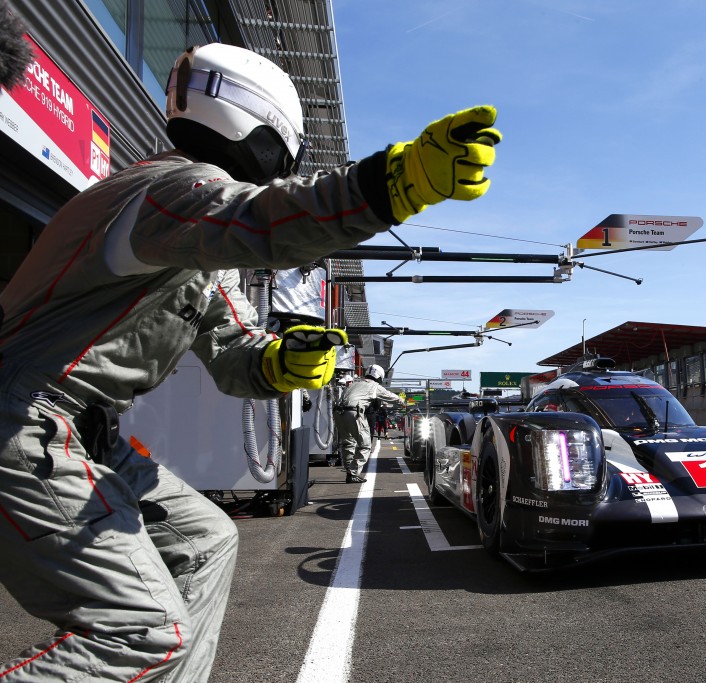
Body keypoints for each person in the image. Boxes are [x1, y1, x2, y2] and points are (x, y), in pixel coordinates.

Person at [0, 41, 500, 682]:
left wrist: (282, 363)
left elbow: (233, 355)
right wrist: (387, 186)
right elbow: (266, 219)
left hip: (77, 429)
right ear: (261, 126)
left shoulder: (188, 233)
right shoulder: (172, 188)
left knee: (206, 540)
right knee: (141, 636)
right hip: (28, 422)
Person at [337, 364, 404, 483]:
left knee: (348, 443)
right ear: (378, 377)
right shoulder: (373, 386)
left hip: (338, 413)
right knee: (365, 445)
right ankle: (352, 473)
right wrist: (401, 400)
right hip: (354, 412)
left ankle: (349, 470)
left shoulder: (354, 383)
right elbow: (388, 395)